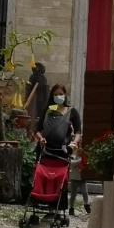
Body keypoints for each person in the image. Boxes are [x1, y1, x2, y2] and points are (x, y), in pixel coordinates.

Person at [35, 83, 90, 215]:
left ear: (65, 95)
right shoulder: (48, 109)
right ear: (52, 96)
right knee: (45, 176)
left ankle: (59, 207)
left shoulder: (72, 111)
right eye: (55, 94)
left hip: (63, 152)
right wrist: (40, 138)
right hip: (46, 150)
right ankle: (43, 202)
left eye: (60, 94)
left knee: (60, 178)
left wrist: (74, 143)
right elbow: (37, 130)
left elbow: (78, 132)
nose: (58, 96)